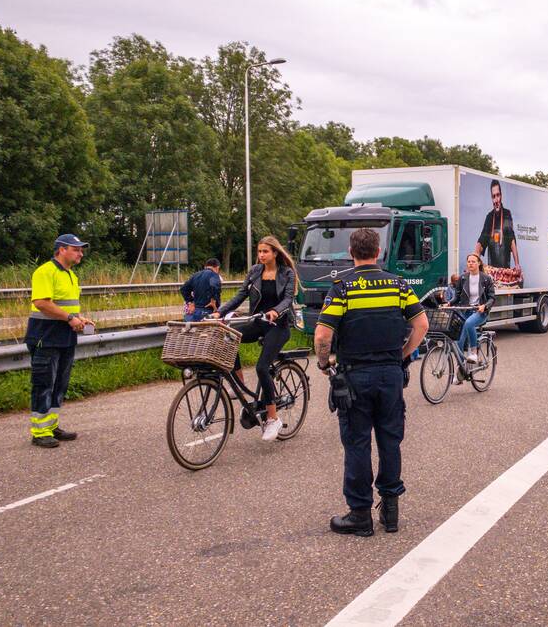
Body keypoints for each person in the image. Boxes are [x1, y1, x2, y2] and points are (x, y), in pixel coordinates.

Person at [314, 228, 428, 536]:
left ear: (351, 252)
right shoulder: (398, 285)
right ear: (378, 252)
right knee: (390, 441)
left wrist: (325, 365)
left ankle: (360, 515)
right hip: (390, 375)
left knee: (357, 443)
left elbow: (323, 334)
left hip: (355, 376)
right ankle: (390, 512)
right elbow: (421, 324)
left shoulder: (342, 287)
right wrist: (403, 355)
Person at [211, 236, 296, 441]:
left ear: (275, 253)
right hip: (258, 322)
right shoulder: (255, 271)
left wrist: (276, 311)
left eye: (265, 251)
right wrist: (220, 312)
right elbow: (240, 296)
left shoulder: (287, 273)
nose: (261, 255)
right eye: (259, 252)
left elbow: (288, 299)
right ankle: (238, 384)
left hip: (278, 325)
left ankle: (273, 418)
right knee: (228, 338)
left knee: (261, 368)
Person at [26, 234, 96, 448]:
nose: (80, 253)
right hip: (45, 336)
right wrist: (69, 318)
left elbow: (67, 306)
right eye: (76, 249)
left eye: (81, 250)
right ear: (61, 250)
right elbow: (41, 303)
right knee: (44, 383)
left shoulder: (71, 275)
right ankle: (39, 432)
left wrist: (79, 318)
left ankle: (51, 426)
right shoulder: (45, 271)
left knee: (59, 385)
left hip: (65, 337)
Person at [444, 253, 495, 364]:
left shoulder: (486, 279)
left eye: (473, 261)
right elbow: (457, 297)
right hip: (465, 311)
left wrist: (484, 306)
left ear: (479, 263)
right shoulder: (463, 278)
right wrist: (449, 303)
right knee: (459, 342)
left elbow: (492, 298)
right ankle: (461, 370)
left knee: (469, 323)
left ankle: (474, 353)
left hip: (480, 312)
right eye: (469, 262)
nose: (470, 264)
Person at [475, 179, 521, 271]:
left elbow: (511, 239)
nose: (496, 200)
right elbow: (481, 240)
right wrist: (474, 259)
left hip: (505, 269)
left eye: (498, 195)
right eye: (493, 196)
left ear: (501, 195)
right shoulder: (489, 217)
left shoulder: (507, 214)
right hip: (492, 270)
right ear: (491, 198)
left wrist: (517, 264)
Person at [180, 258, 222, 322]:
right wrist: (213, 300)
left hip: (195, 311)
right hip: (208, 312)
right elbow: (214, 286)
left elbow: (183, 289)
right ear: (217, 267)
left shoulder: (195, 275)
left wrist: (190, 302)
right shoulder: (214, 275)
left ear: (206, 266)